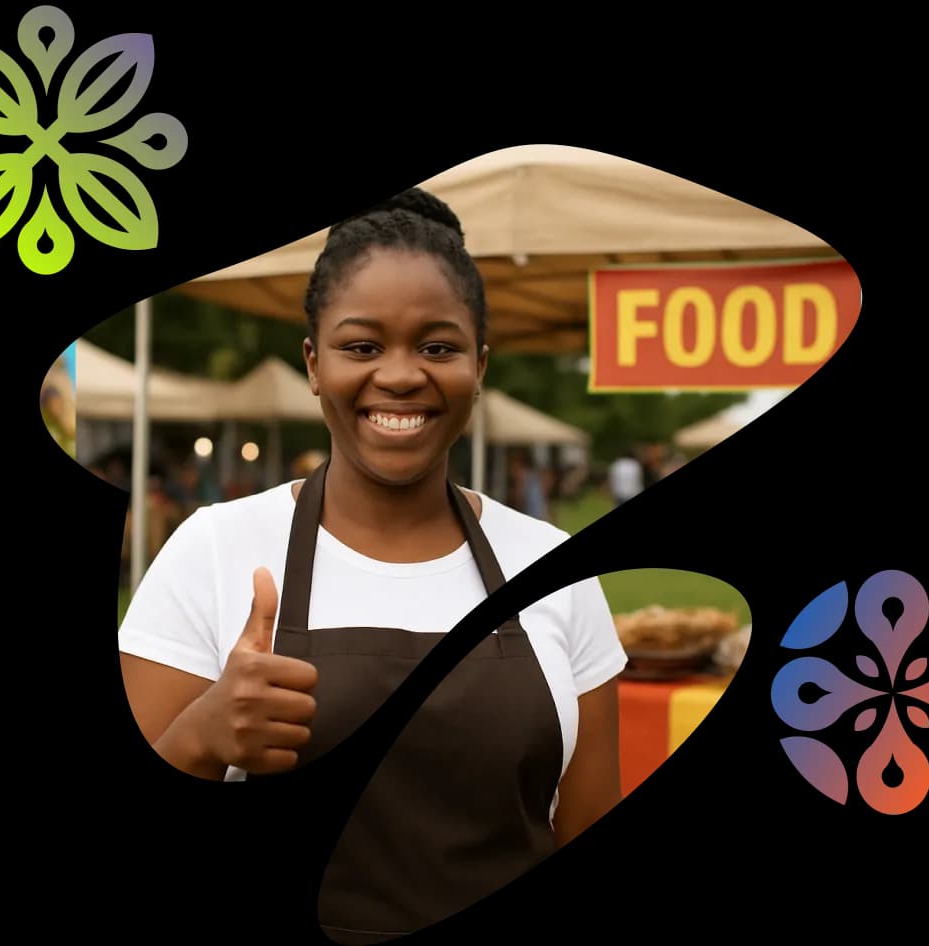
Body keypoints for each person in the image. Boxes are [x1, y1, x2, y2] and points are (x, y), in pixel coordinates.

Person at [117, 187, 627, 942]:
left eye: (437, 347)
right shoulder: (214, 549)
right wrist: (201, 737)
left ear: (478, 367)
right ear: (313, 363)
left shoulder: (552, 566)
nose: (400, 376)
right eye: (362, 346)